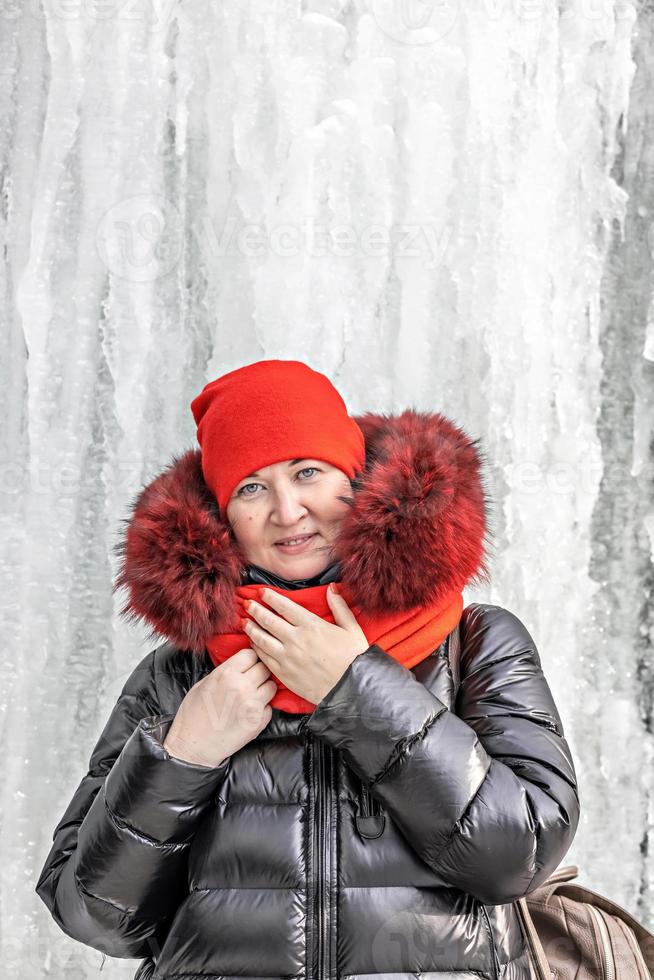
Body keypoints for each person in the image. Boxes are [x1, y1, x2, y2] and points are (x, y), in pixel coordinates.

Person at [35, 358, 581, 980]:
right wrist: (182, 756)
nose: (288, 511)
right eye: (251, 488)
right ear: (221, 519)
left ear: (357, 479)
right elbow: (94, 917)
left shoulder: (476, 641)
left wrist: (358, 691)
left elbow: (520, 854)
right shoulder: (178, 677)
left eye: (308, 473)